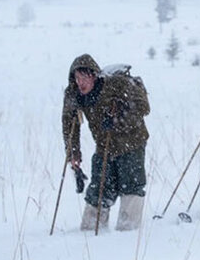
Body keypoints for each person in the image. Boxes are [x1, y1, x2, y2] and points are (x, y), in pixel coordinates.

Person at [62, 55, 150, 231]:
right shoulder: (74, 94)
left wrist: (118, 118)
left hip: (131, 141)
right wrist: (73, 154)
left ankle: (129, 231)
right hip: (104, 146)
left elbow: (143, 108)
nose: (81, 83)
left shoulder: (117, 85)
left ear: (94, 75)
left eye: (84, 77)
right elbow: (69, 124)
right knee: (99, 187)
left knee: (131, 185)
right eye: (77, 78)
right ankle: (90, 230)